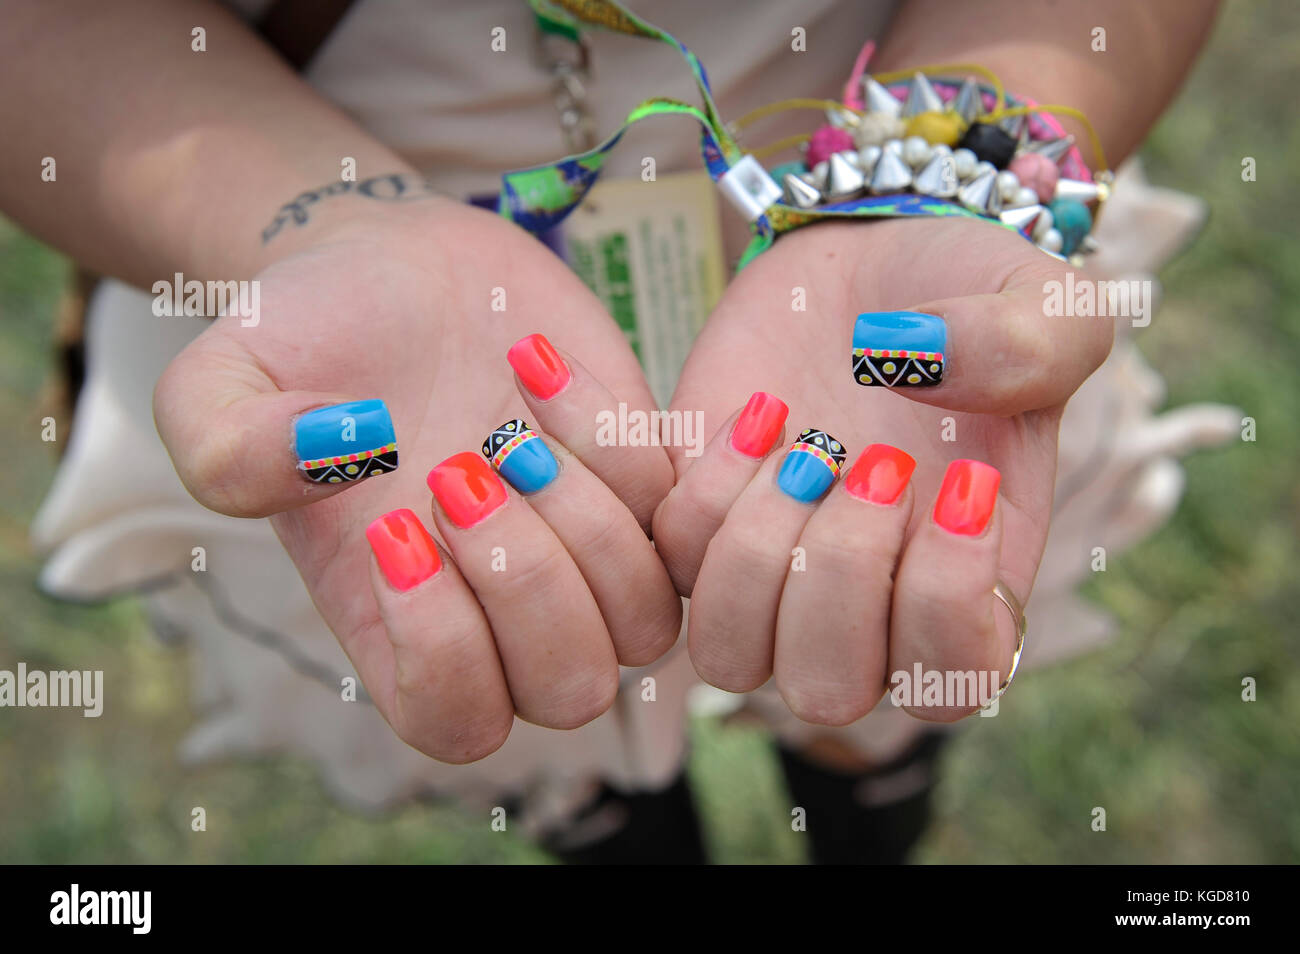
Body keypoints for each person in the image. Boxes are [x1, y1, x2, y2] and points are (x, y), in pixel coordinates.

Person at [2, 0, 1231, 863]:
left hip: (878, 236)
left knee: (883, 654)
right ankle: (609, 828)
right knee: (529, 696)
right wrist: (329, 234)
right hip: (395, 332)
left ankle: (871, 806)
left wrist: (925, 179)